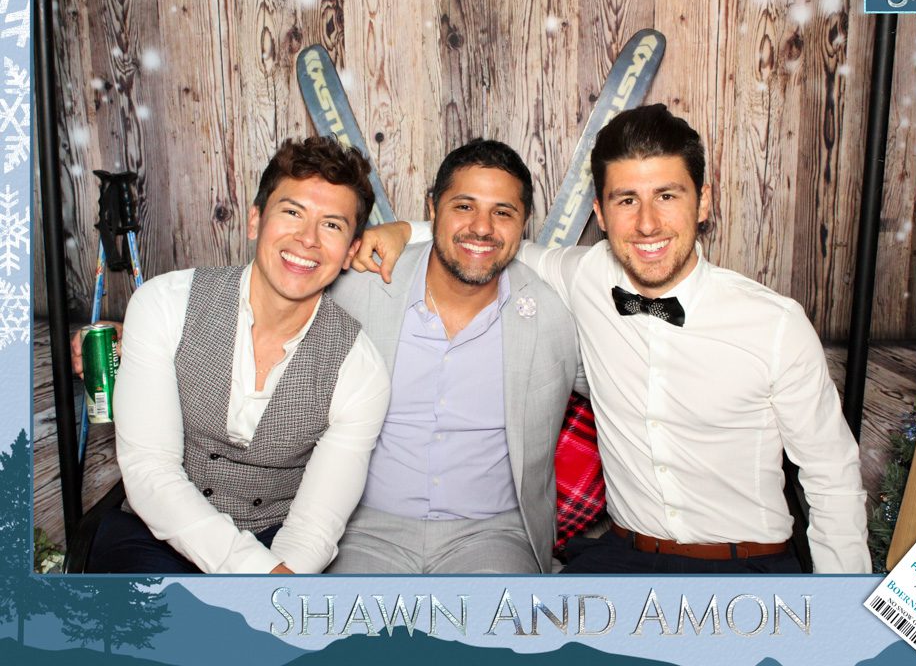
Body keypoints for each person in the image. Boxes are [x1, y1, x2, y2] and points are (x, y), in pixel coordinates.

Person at [356, 105, 871, 574]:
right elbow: (486, 241)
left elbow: (832, 478)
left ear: (703, 202)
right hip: (625, 560)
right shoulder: (583, 275)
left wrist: (842, 611)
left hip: (746, 567)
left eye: (667, 196)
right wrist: (402, 231)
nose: (647, 224)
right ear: (601, 214)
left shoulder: (774, 324)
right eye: (627, 200)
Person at [81, 136, 391, 574]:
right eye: (292, 213)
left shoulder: (360, 369)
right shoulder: (165, 303)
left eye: (332, 226)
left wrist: (279, 590)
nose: (307, 239)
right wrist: (261, 578)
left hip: (277, 542)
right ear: (255, 220)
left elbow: (314, 525)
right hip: (152, 537)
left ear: (350, 253)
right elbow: (152, 471)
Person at [324, 139, 582, 574]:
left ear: (523, 224)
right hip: (361, 530)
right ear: (432, 208)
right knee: (342, 618)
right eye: (464, 206)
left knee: (500, 618)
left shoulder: (555, 313)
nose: (482, 228)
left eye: (503, 213)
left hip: (493, 536)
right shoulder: (356, 288)